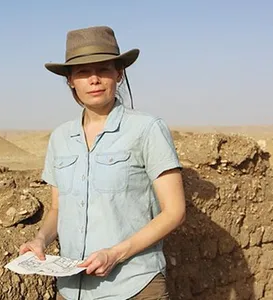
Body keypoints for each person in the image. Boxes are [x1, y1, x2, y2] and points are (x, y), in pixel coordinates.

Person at [19, 25, 186, 300]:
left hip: (133, 286)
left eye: (103, 69)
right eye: (83, 72)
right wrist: (40, 240)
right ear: (70, 80)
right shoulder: (60, 137)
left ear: (118, 74)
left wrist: (115, 254)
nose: (94, 79)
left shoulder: (147, 129)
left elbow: (174, 211)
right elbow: (58, 208)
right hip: (72, 290)